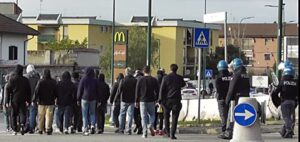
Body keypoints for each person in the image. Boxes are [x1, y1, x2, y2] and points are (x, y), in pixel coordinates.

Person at [225, 58, 250, 139]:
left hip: (236, 98)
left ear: (235, 66)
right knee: (242, 116)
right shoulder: (246, 75)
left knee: (232, 115)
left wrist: (227, 101)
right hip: (246, 98)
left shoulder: (236, 75)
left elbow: (231, 89)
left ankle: (229, 132)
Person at [159, 64, 186, 140]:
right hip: (176, 100)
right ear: (176, 69)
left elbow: (162, 89)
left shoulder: (166, 78)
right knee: (175, 117)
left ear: (170, 69)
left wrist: (160, 100)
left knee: (166, 116)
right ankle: (172, 134)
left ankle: (167, 132)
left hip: (167, 100)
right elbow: (183, 85)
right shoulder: (179, 78)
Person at [272, 67, 298, 138]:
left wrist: (277, 103)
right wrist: (296, 101)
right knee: (290, 117)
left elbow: (275, 93)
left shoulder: (283, 81)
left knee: (286, 117)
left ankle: (288, 130)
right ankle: (284, 131)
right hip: (293, 102)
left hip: (285, 101)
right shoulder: (296, 82)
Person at [5, 65, 31, 135]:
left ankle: (15, 129)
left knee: (13, 114)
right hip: (23, 99)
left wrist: (7, 101)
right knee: (23, 113)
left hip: (14, 99)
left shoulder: (12, 79)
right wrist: (28, 100)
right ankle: (22, 124)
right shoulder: (25, 80)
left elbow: (8, 90)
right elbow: (29, 91)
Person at [135, 66, 159, 138]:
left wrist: (136, 101)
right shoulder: (154, 80)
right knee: (152, 114)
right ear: (150, 71)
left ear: (143, 71)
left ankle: (144, 133)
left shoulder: (140, 80)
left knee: (143, 117)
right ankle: (151, 125)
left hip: (142, 100)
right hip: (151, 100)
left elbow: (137, 91)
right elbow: (157, 90)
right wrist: (157, 99)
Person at [32, 69, 57, 135]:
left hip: (41, 102)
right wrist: (56, 98)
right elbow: (56, 91)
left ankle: (40, 129)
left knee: (41, 116)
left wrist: (34, 99)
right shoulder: (53, 82)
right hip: (50, 102)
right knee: (49, 116)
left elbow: (36, 91)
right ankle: (48, 129)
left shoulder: (40, 82)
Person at [77, 67, 100, 136]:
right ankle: (92, 125)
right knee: (92, 113)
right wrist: (98, 100)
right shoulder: (95, 80)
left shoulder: (83, 79)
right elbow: (98, 91)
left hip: (84, 98)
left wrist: (78, 99)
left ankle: (85, 128)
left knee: (84, 115)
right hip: (93, 98)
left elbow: (80, 90)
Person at [115, 67, 137, 135]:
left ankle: (121, 128)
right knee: (130, 115)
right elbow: (136, 90)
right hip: (132, 100)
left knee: (122, 114)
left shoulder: (123, 80)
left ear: (126, 72)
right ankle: (129, 129)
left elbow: (119, 90)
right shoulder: (135, 80)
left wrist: (116, 98)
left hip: (124, 99)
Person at [215, 60, 232, 139]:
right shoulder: (231, 77)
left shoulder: (218, 78)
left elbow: (218, 89)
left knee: (223, 115)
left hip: (221, 99)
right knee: (230, 115)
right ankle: (230, 130)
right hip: (230, 99)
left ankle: (224, 131)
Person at [24, 64, 40, 134]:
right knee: (33, 113)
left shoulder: (25, 77)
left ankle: (26, 126)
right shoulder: (37, 77)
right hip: (34, 98)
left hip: (26, 97)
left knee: (25, 113)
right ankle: (32, 127)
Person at [154, 69, 165, 135]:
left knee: (155, 115)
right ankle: (161, 129)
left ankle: (155, 129)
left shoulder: (154, 80)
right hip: (162, 100)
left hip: (155, 101)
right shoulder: (164, 80)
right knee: (161, 116)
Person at [133, 69, 143, 135]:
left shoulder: (134, 80)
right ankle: (139, 127)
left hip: (136, 100)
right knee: (142, 115)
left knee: (135, 114)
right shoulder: (143, 79)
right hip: (143, 99)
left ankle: (137, 125)